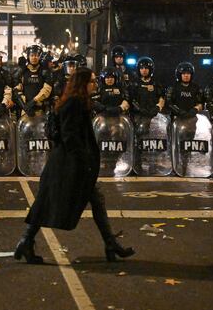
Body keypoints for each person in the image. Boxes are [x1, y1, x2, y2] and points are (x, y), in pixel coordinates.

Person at [16, 67, 135, 264]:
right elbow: (70, 136)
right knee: (47, 202)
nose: (95, 85)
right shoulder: (73, 104)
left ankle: (110, 243)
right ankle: (26, 241)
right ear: (82, 84)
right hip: (68, 164)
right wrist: (82, 161)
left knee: (91, 199)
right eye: (92, 81)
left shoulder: (77, 102)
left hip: (68, 163)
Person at [14, 45, 53, 117]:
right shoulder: (22, 71)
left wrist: (34, 101)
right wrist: (24, 105)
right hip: (25, 110)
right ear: (28, 57)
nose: (34, 57)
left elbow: (47, 89)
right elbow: (17, 90)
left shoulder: (44, 71)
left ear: (39, 57)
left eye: (36, 55)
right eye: (32, 55)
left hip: (41, 109)